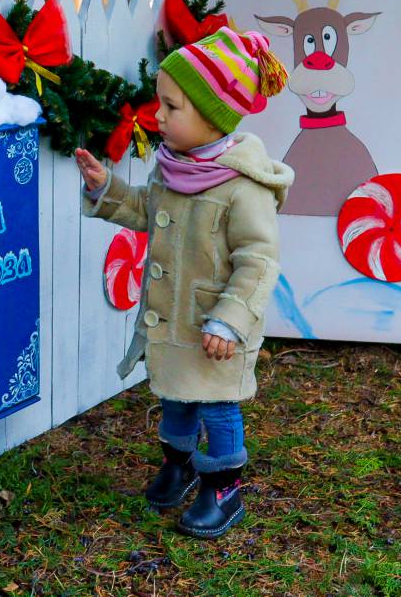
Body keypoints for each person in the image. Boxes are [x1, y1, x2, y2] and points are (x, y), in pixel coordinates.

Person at [75, 27, 293, 539]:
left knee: (216, 406)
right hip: (174, 323)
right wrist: (107, 189)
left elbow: (259, 260)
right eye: (160, 104)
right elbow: (145, 211)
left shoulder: (243, 188)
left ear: (211, 114)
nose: (159, 117)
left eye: (172, 107)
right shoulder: (173, 169)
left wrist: (231, 319)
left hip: (215, 329)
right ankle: (179, 462)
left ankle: (224, 488)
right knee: (175, 398)